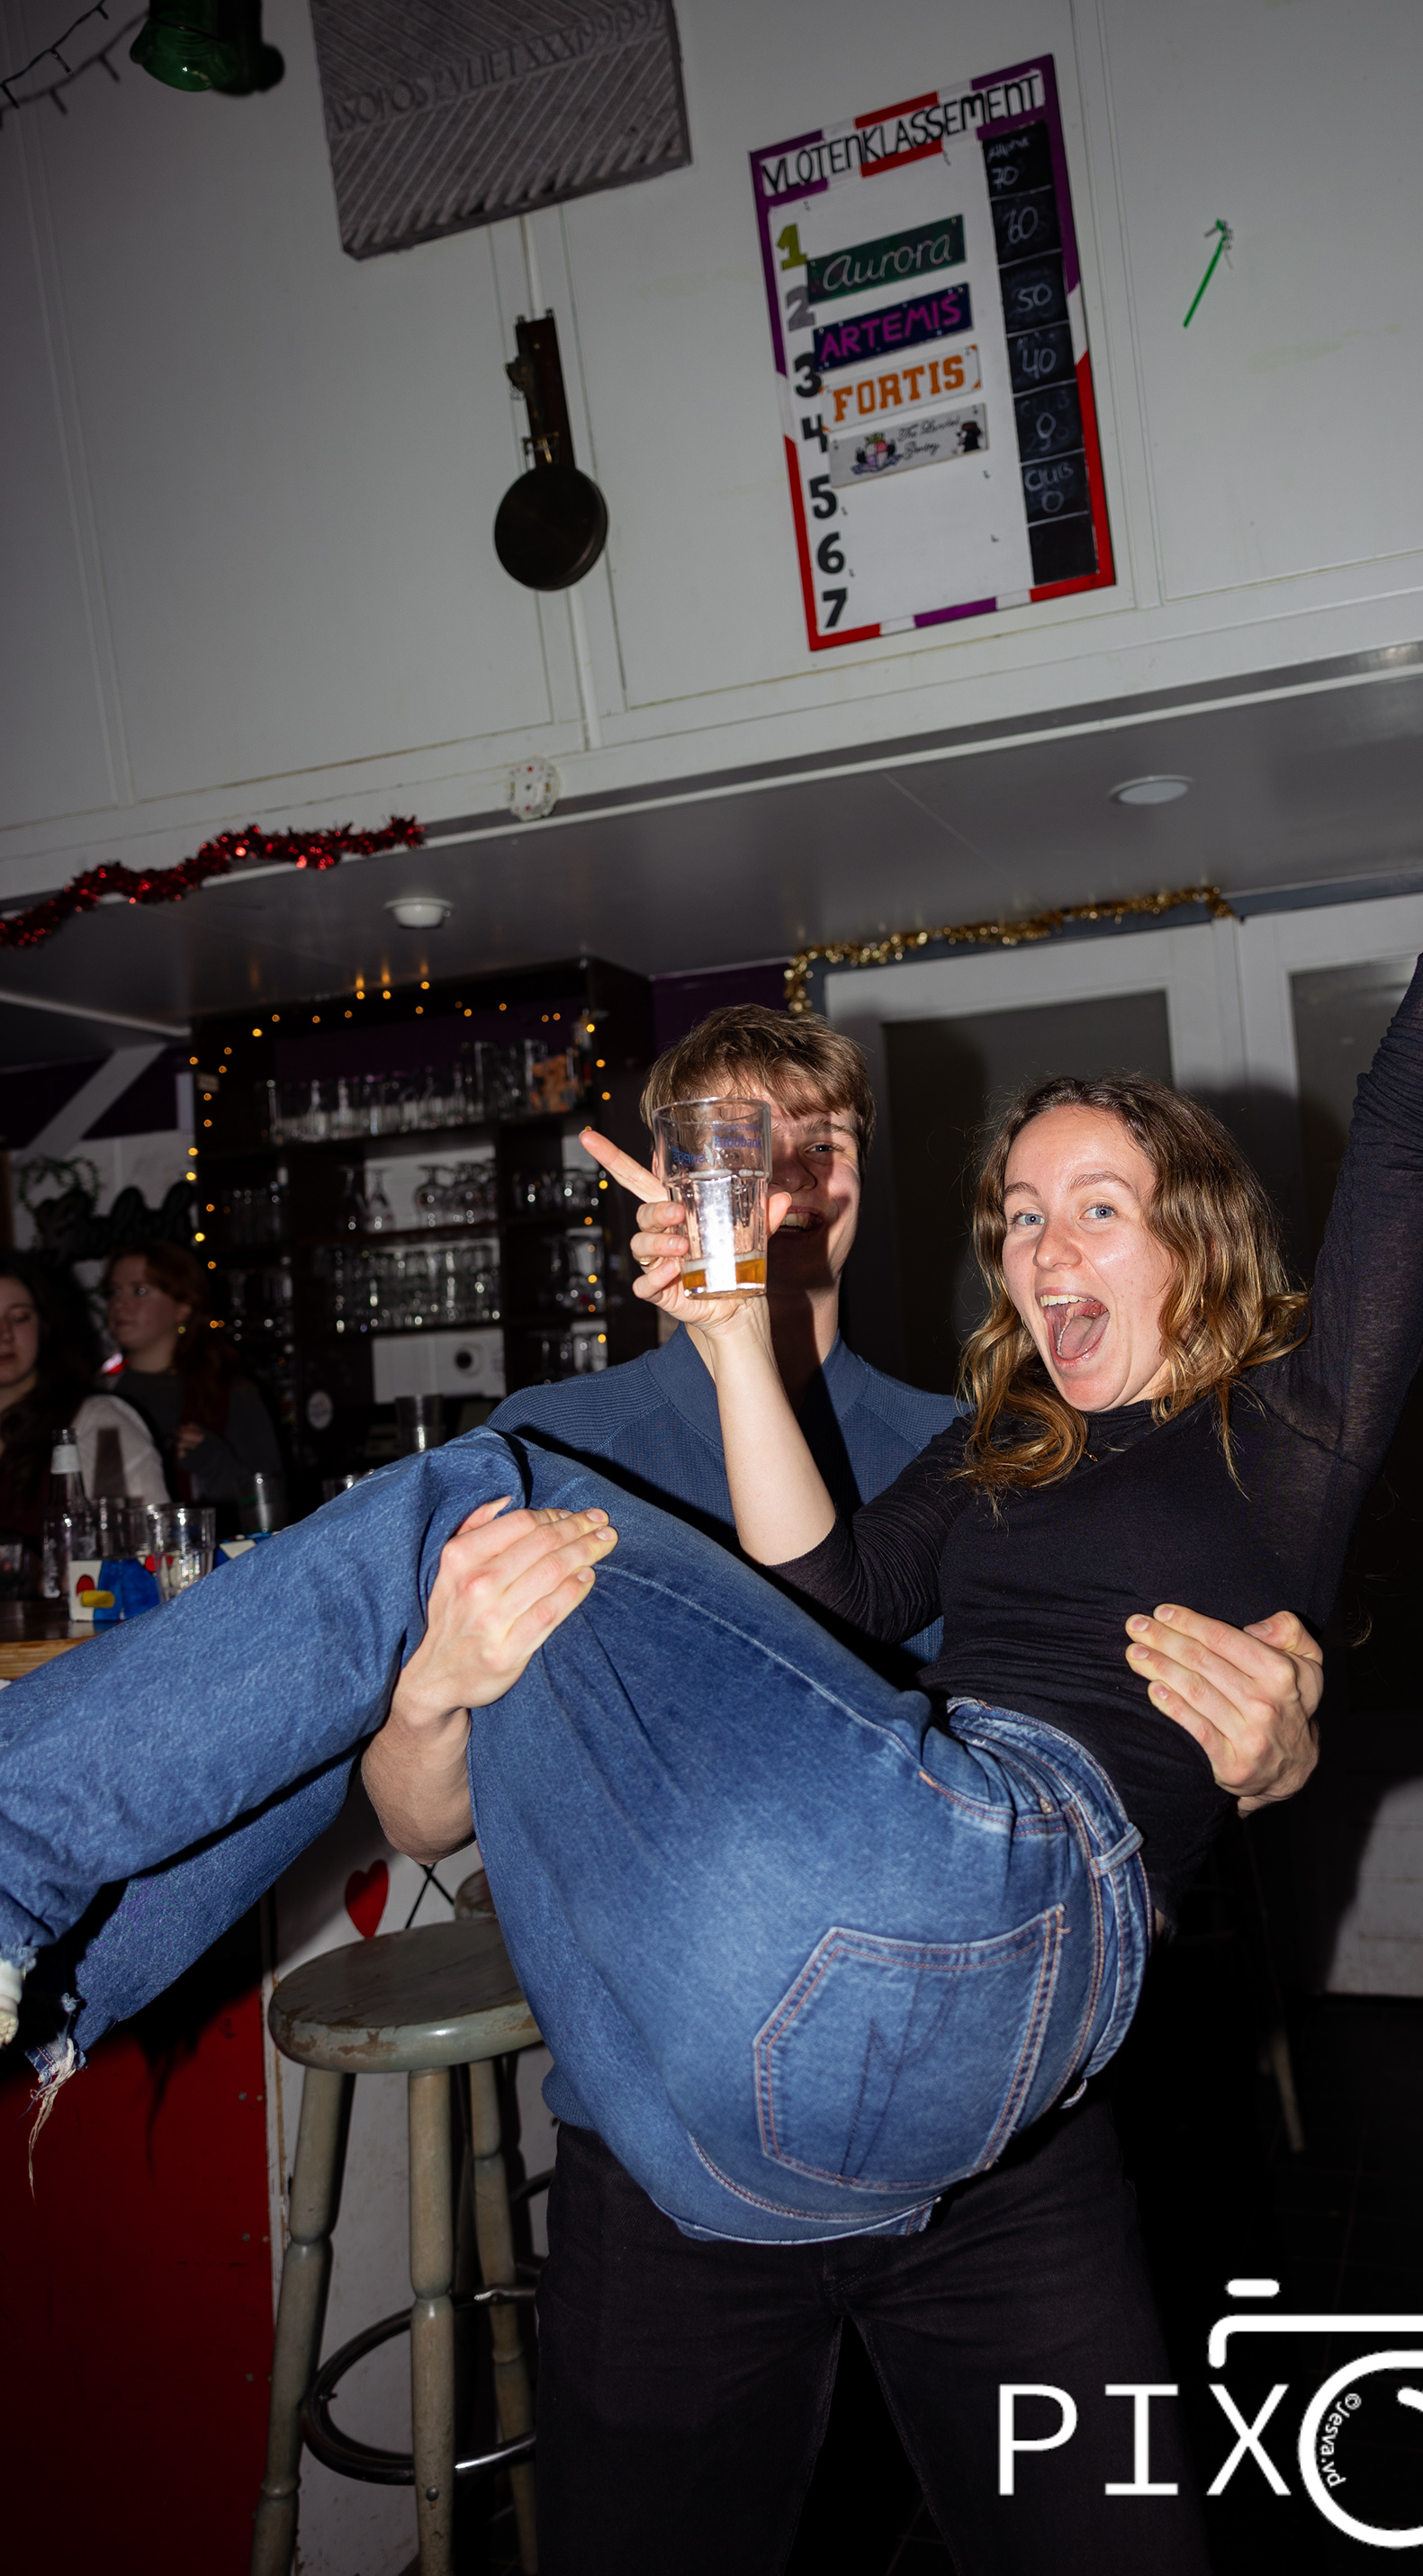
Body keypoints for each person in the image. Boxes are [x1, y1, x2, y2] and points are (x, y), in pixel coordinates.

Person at [0, 558, 1423, 2553]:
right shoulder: (984, 1461)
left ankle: (23, 1888)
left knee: (465, 1487)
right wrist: (717, 1350)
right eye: (1018, 1216)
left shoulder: (1283, 1430)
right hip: (711, 2042)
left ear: (1197, 1238)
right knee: (482, 1494)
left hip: (995, 1936)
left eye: (1095, 1206)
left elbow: (1419, 1091)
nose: (1040, 1245)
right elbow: (825, 1614)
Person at [401, 1003, 1323, 2574]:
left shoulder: (991, 1444)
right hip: (666, 2154)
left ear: (855, 1179)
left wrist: (1275, 1757)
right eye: (735, 1151)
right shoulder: (545, 1449)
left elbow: (1125, 1757)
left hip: (1002, 2144)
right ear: (675, 1183)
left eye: (817, 1147)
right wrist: (434, 1690)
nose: (783, 1185)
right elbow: (419, 1818)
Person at [0, 1251, 168, 1568]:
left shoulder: (99, 1422)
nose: (4, 1335)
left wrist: (36, 1574)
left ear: (43, 1325)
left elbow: (147, 1559)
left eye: (19, 1318)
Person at [104, 1240, 284, 1511]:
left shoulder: (229, 1394)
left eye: (139, 1291)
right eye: (113, 1291)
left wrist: (213, 1462)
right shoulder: (97, 1396)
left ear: (183, 1307)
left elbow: (271, 1503)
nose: (119, 1304)